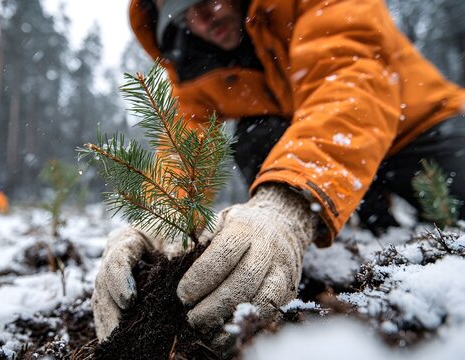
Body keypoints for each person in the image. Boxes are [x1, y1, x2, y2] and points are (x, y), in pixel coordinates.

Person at [93, 0, 465, 349]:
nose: (204, 18)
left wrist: (287, 202)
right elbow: (185, 143)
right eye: (185, 10)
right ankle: (354, 231)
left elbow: (351, 79)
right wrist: (163, 220)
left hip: (417, 126)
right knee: (256, 136)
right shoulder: (196, 58)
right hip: (328, 154)